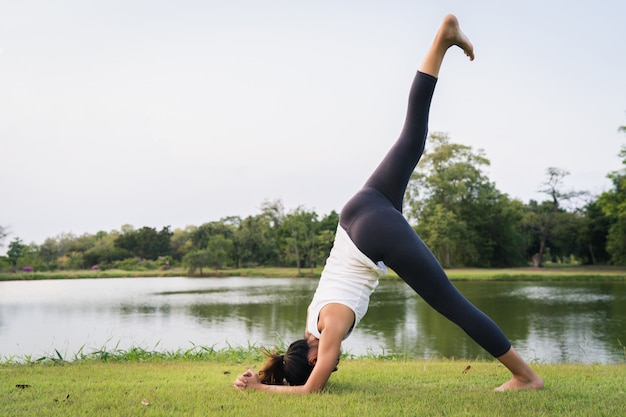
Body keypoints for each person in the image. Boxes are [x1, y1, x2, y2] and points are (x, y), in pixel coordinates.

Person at [234, 14, 544, 394]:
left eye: (328, 369)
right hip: (358, 209)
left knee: (453, 304)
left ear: (315, 359)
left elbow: (308, 391)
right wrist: (266, 374)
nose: (333, 367)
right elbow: (294, 364)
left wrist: (262, 389)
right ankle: (441, 41)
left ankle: (526, 377)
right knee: (412, 137)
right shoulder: (310, 321)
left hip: (371, 236)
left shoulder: (329, 330)